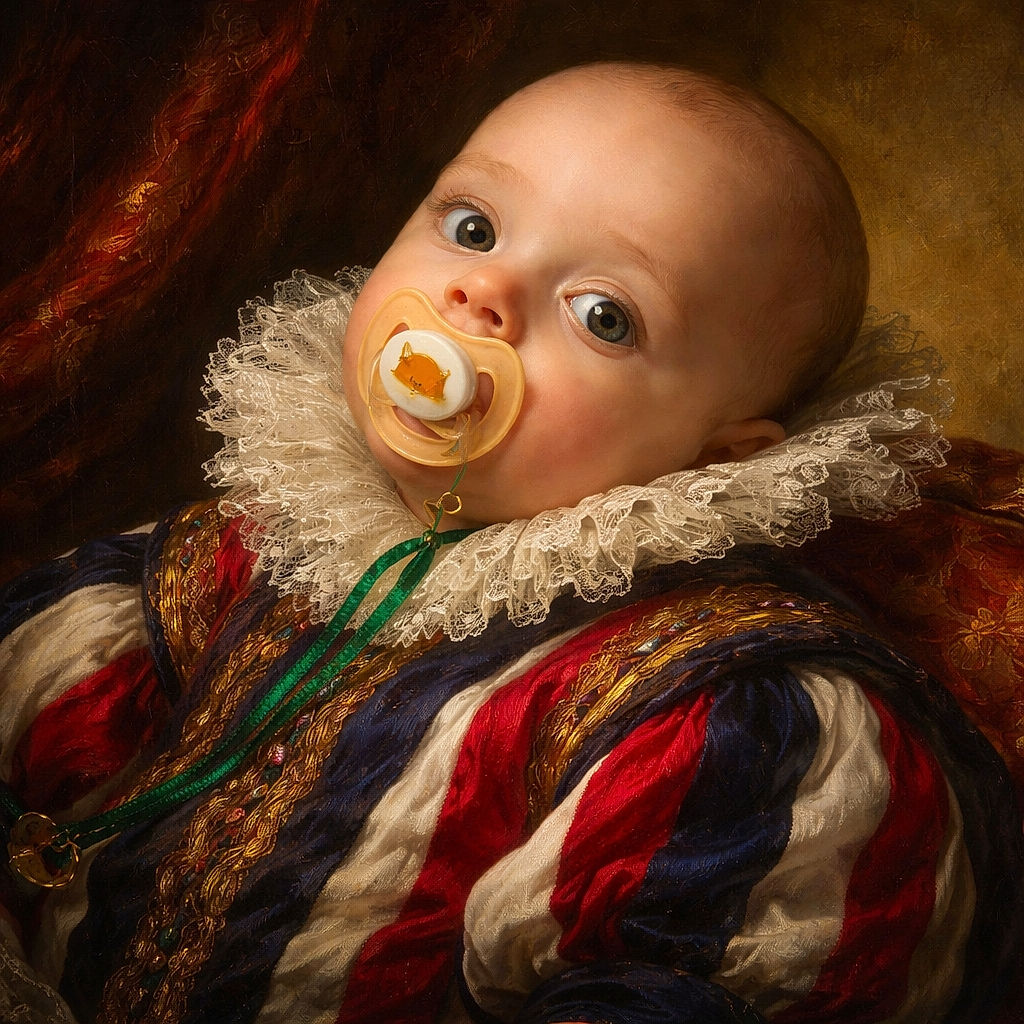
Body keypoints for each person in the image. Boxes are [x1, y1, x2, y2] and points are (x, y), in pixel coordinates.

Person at [0, 62, 1020, 1024]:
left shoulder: (719, 714)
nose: (481, 295)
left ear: (713, 457)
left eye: (603, 315)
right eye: (474, 225)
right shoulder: (265, 542)